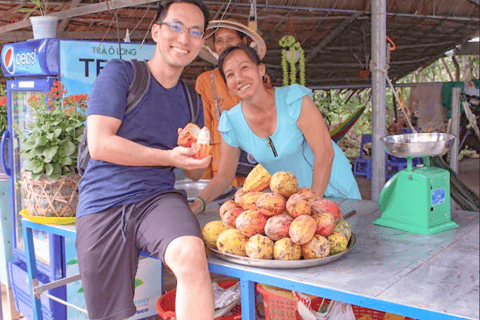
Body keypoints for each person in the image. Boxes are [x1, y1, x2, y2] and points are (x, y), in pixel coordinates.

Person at [75, 1, 215, 320]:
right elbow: (100, 145)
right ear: (156, 31)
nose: (184, 38)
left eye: (195, 31)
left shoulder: (192, 102)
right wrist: (168, 155)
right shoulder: (122, 73)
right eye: (176, 26)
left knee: (192, 255)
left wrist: (195, 159)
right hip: (103, 201)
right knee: (110, 314)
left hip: (157, 200)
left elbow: (194, 175)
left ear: (201, 42)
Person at [191, 45, 361, 214]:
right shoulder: (231, 122)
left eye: (244, 68)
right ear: (227, 84)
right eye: (230, 75)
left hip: (335, 190)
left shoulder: (293, 100)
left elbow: (325, 153)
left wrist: (312, 204)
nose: (239, 78)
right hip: (296, 203)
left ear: (261, 70)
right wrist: (199, 203)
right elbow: (224, 177)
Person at [194, 20, 267, 188]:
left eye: (230, 39)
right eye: (219, 40)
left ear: (244, 42)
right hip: (220, 168)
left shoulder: (256, 75)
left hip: (257, 166)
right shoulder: (205, 81)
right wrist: (204, 178)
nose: (224, 45)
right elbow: (202, 129)